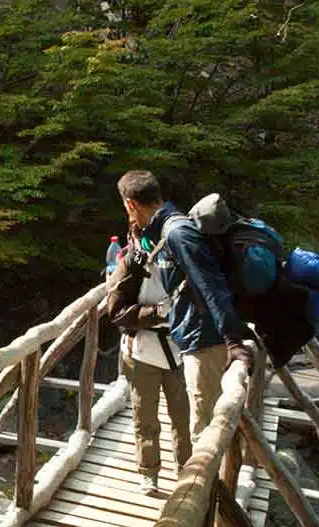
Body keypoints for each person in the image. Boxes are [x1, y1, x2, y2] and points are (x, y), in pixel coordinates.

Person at [117, 170, 250, 445]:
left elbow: (211, 286)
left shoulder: (178, 233)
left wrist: (233, 340)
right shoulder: (168, 230)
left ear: (131, 204)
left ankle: (208, 489)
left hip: (205, 343)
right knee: (206, 427)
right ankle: (211, 486)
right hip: (196, 341)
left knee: (204, 436)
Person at [101, 234, 189, 496]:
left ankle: (187, 471)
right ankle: (148, 471)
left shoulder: (183, 258)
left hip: (179, 348)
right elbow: (116, 311)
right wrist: (155, 313)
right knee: (145, 416)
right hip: (143, 350)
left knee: (183, 417)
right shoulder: (132, 264)